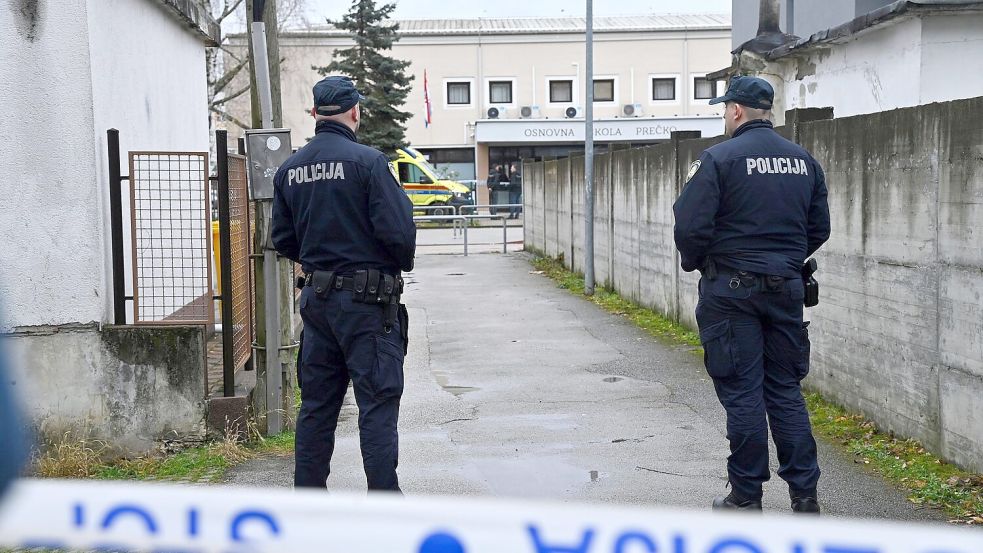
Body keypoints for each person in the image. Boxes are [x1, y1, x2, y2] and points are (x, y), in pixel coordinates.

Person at [672, 76, 830, 513]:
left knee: (744, 392)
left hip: (731, 292)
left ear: (737, 110)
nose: (725, 115)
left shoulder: (719, 159)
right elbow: (819, 227)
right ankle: (805, 495)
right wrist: (783, 260)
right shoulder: (804, 161)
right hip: (786, 289)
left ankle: (745, 496)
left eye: (725, 109)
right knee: (784, 390)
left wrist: (699, 263)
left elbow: (689, 226)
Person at [272, 75, 416, 492]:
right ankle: (384, 502)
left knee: (316, 407)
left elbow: (282, 239)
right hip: (369, 307)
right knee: (377, 404)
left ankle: (309, 501)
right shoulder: (370, 163)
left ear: (315, 114)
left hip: (317, 305)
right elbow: (399, 233)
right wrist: (388, 265)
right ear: (355, 111)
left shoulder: (289, 170)